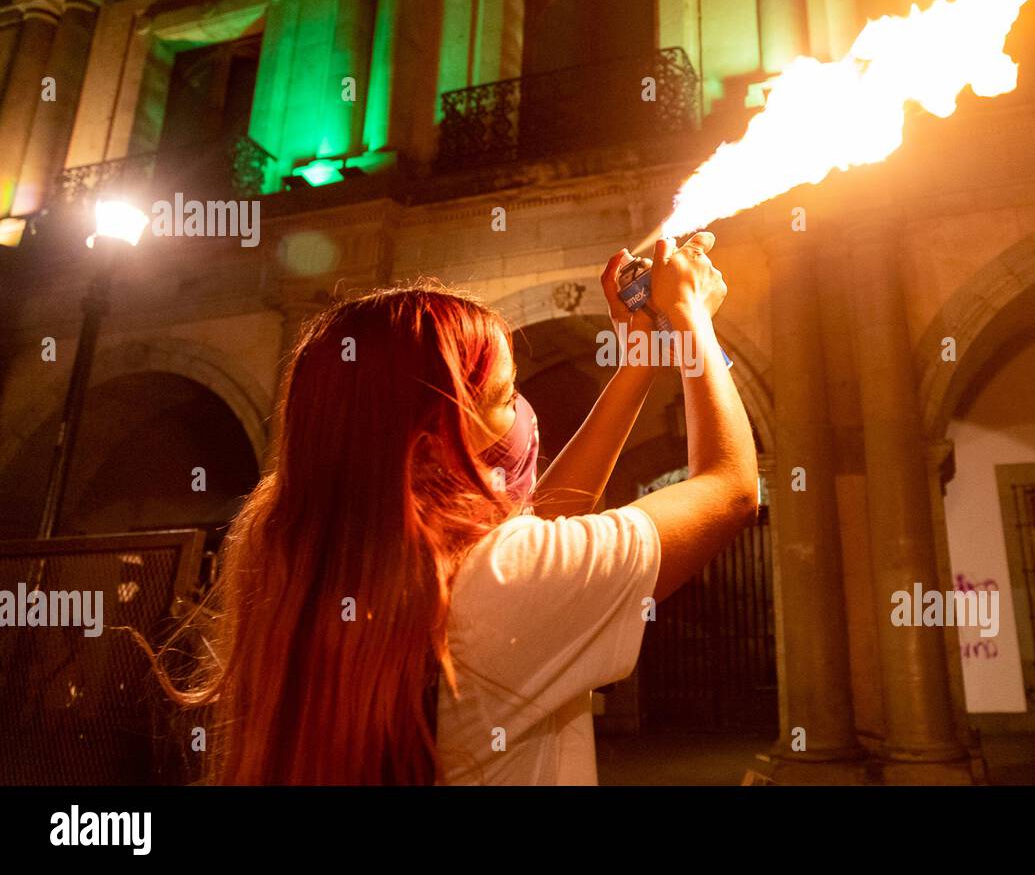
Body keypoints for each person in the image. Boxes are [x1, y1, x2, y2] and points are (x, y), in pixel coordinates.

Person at [141, 231, 758, 785]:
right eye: (504, 395)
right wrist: (691, 317)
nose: (521, 411)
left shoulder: (286, 544)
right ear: (433, 441)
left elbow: (538, 528)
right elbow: (730, 488)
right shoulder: (494, 580)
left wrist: (640, 362)